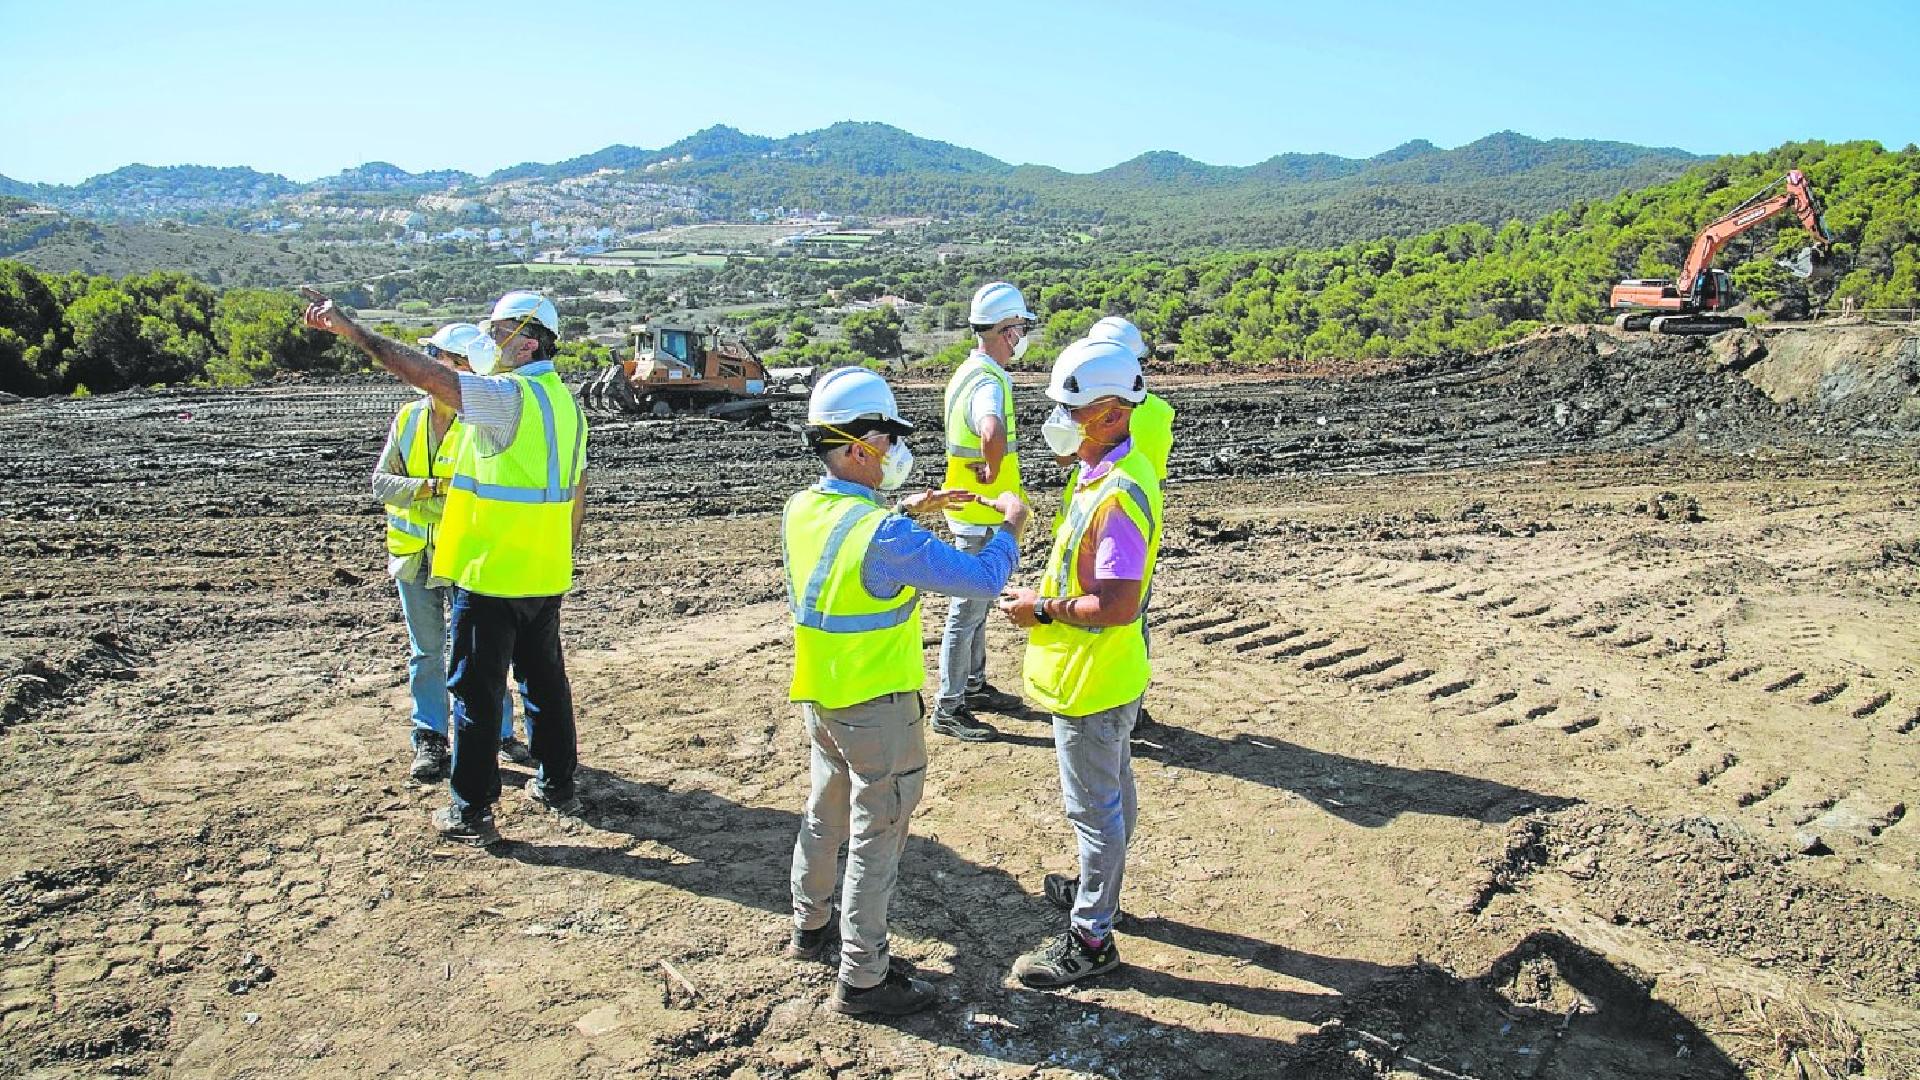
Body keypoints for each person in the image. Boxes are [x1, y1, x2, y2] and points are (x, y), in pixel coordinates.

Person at [783, 367, 1030, 1016]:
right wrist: (1011, 526)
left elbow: (850, 543)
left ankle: (810, 928)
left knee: (823, 813)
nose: (895, 451)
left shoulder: (805, 509)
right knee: (877, 835)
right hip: (880, 712)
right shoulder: (886, 538)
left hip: (823, 698)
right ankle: (864, 978)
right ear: (860, 444)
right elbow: (979, 579)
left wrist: (908, 508)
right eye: (888, 440)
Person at [304, 288, 588, 846]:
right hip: (543, 571)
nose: (488, 340)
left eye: (498, 330)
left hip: (490, 574)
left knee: (476, 696)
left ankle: (472, 808)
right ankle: (557, 783)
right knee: (544, 684)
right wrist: (562, 556)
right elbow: (577, 491)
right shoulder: (565, 404)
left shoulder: (510, 398)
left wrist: (356, 333)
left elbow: (430, 378)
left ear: (527, 342)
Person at [997, 338, 1161, 989]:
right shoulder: (1097, 473)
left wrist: (1042, 609)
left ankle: (1092, 936)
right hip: (1107, 673)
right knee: (1113, 798)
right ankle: (1102, 889)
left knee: (1095, 813)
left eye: (1076, 406)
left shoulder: (1116, 495)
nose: (1060, 417)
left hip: (1093, 681)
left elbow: (1119, 603)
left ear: (1116, 411)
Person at [373, 323, 525, 782]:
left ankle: (497, 734)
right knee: (427, 652)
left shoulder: (480, 426)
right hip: (415, 556)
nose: (421, 365)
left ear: (459, 367)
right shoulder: (408, 420)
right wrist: (433, 488)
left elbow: (480, 494)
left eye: (434, 356)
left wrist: (417, 491)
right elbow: (382, 483)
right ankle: (431, 738)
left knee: (480, 653)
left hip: (464, 555)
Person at [931, 281, 1035, 743]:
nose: (1022, 337)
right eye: (1020, 328)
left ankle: (972, 686)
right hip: (980, 514)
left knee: (976, 606)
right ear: (1005, 330)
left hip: (970, 510)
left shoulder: (966, 372)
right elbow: (990, 428)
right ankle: (949, 707)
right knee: (967, 611)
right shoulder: (989, 383)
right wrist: (994, 472)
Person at [1082, 317, 1175, 734]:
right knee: (1134, 614)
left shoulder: (1093, 411)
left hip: (1091, 522)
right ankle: (1132, 706)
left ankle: (1110, 704)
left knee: (1095, 615)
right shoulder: (1157, 413)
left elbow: (1069, 458)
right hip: (1138, 527)